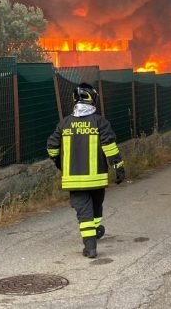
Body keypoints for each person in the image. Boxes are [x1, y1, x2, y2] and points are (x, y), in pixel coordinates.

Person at [47, 82, 126, 258]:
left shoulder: (64, 123)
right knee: (96, 206)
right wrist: (118, 168)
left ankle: (90, 245)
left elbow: (52, 147)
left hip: (73, 179)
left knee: (84, 213)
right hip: (97, 179)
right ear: (93, 99)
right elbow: (109, 147)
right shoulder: (100, 122)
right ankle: (93, 236)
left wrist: (60, 163)